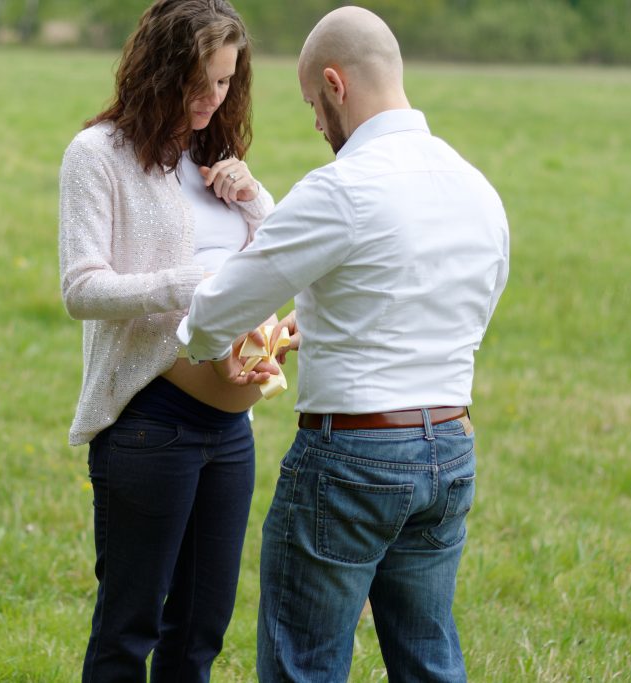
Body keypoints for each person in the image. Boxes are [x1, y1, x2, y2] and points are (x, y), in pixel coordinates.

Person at [178, 6, 510, 682]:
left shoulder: (343, 188)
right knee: (428, 659)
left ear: (335, 84)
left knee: (305, 666)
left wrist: (205, 341)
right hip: (450, 449)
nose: (317, 125)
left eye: (312, 105)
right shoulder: (477, 187)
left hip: (353, 454)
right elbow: (470, 309)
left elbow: (218, 309)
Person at [56, 0, 277, 680]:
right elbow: (82, 288)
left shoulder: (213, 157)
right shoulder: (99, 155)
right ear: (158, 70)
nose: (212, 98)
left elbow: (276, 263)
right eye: (198, 82)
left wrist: (253, 197)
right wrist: (194, 284)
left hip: (231, 432)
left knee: (199, 636)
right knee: (129, 632)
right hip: (150, 423)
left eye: (225, 81)